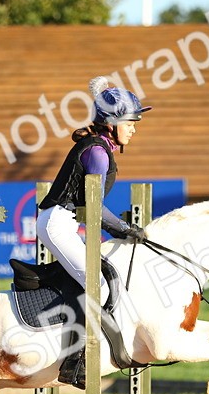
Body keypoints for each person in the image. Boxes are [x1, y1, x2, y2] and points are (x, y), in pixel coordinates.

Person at [36, 76, 150, 291]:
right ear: (111, 124)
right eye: (129, 124)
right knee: (101, 286)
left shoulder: (100, 147)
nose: (133, 129)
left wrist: (122, 230)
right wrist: (124, 228)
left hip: (62, 222)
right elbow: (93, 206)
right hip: (57, 224)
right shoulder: (98, 152)